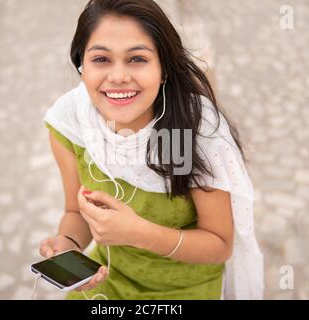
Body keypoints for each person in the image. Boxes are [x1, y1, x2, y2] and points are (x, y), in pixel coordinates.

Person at [39, 0, 264, 300]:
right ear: (81, 66)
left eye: (137, 59)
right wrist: (68, 245)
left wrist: (138, 233)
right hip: (112, 277)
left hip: (185, 289)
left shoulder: (183, 133)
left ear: (164, 70)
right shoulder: (73, 124)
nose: (118, 76)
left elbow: (219, 244)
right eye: (101, 59)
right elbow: (75, 212)